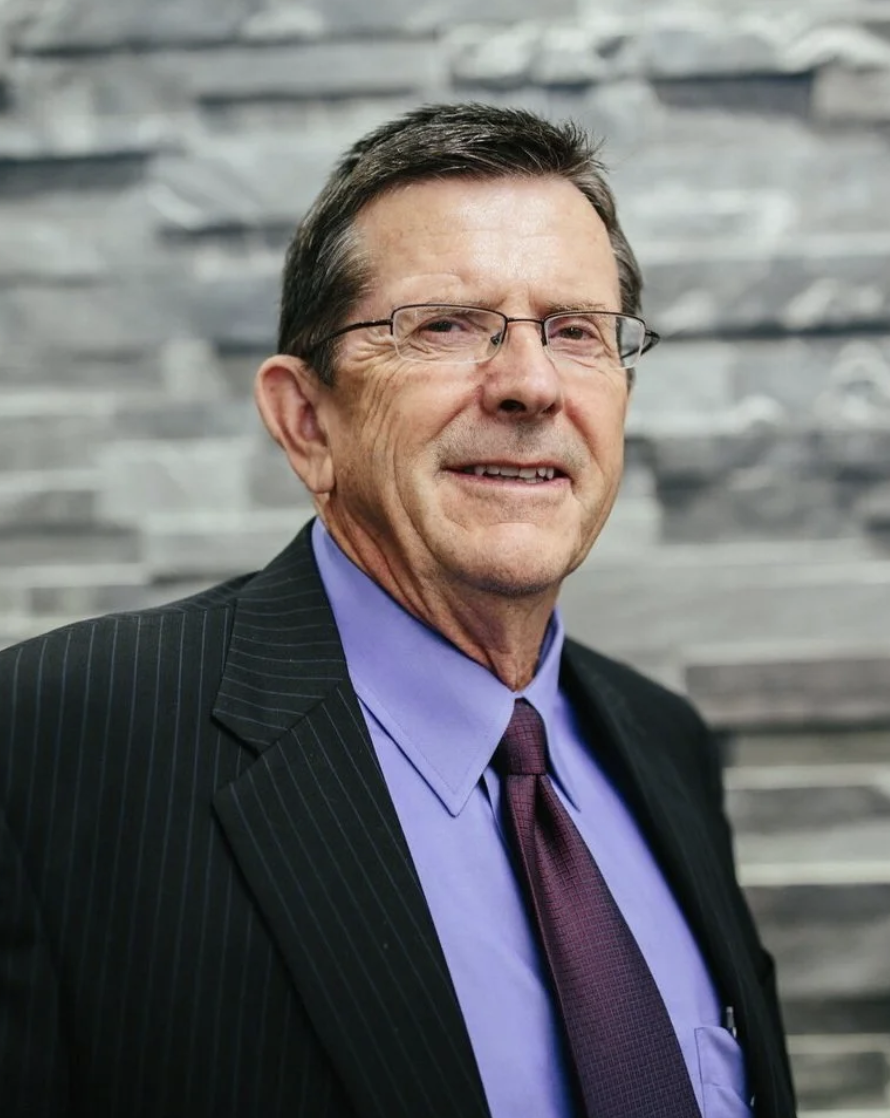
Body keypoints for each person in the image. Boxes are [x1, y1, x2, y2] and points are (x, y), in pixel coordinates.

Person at [0, 102, 795, 1118]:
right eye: (444, 326)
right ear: (306, 418)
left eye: (573, 331)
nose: (528, 384)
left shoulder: (663, 743)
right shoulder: (46, 744)